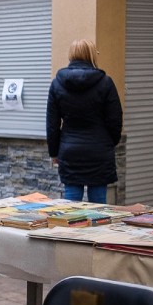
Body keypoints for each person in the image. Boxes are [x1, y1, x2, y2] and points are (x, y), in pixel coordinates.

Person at [46, 39, 123, 204]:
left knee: (71, 204)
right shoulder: (105, 82)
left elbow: (52, 124)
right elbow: (115, 120)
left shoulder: (57, 83)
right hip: (99, 150)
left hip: (70, 150)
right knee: (98, 206)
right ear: (91, 55)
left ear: (71, 55)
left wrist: (54, 152)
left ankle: (69, 231)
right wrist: (110, 142)